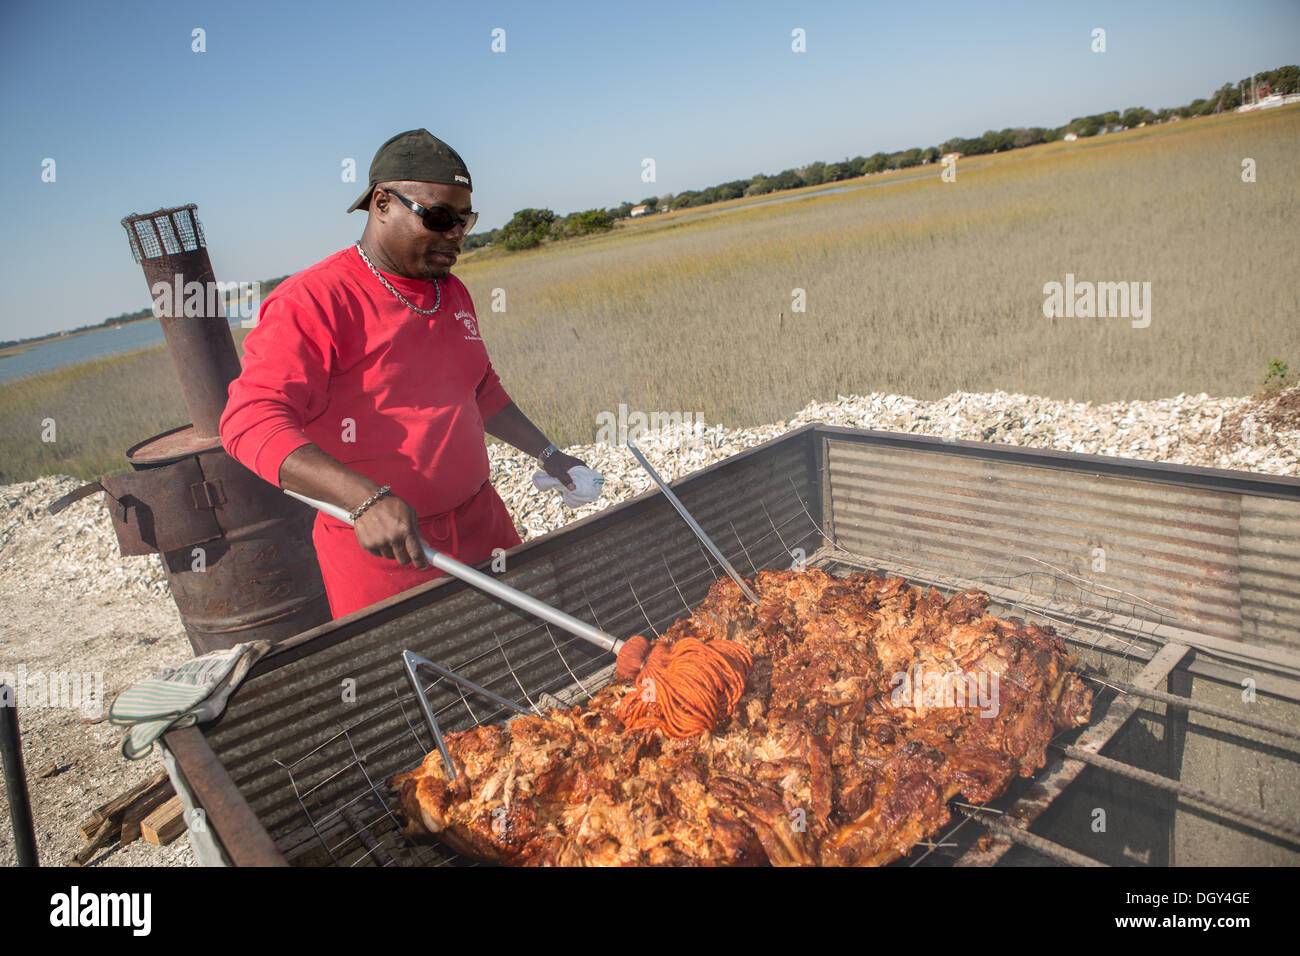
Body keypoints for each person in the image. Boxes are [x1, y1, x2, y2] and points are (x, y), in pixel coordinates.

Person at [218, 128, 594, 619]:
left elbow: (480, 389)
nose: (456, 234)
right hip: (390, 555)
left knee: (530, 660)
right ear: (381, 203)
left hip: (485, 526)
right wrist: (364, 500)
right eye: (439, 218)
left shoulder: (450, 291)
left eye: (465, 220)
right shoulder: (313, 301)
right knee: (418, 687)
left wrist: (551, 455)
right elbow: (249, 422)